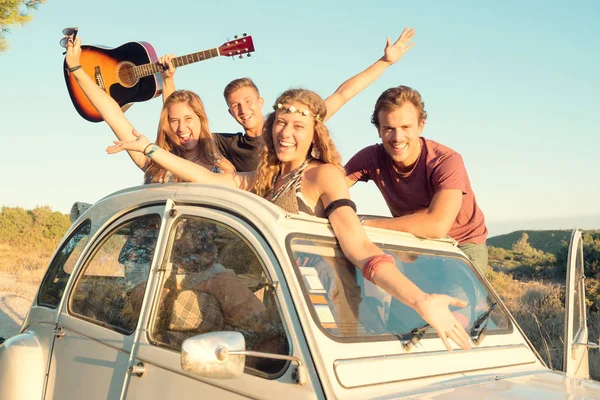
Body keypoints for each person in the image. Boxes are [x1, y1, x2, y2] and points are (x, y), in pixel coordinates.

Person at [106, 88, 473, 351]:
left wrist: (421, 299)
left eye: (298, 127)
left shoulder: (323, 175)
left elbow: (359, 246)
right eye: (281, 123)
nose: (286, 132)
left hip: (326, 301)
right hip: (285, 297)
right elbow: (207, 178)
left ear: (314, 133)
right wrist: (151, 150)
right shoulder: (265, 178)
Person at [158, 27, 417, 172]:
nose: (243, 109)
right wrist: (169, 80)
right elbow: (178, 123)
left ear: (260, 102)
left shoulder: (290, 124)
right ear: (230, 113)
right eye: (235, 105)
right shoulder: (226, 144)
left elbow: (343, 94)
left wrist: (384, 62)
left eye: (247, 101)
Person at [344, 86, 489, 273]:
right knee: (398, 297)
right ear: (379, 130)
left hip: (459, 245)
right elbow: (327, 186)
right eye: (389, 128)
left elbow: (436, 225)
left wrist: (363, 224)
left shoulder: (445, 161)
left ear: (421, 125)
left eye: (406, 127)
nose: (397, 137)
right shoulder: (372, 157)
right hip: (411, 241)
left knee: (456, 302)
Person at [64, 36, 234, 184]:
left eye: (188, 118)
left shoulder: (222, 168)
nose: (181, 128)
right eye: (174, 121)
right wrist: (76, 69)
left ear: (201, 119)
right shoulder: (153, 162)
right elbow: (112, 114)